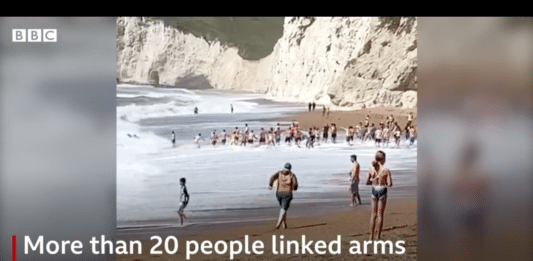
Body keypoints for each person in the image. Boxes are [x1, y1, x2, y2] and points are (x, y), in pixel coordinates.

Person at [366, 150, 393, 240]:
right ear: (382, 159)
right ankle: (378, 236)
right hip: (382, 191)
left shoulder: (370, 169)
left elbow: (367, 182)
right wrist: (383, 181)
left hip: (374, 190)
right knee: (380, 214)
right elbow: (389, 184)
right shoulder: (386, 170)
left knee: (373, 214)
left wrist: (373, 180)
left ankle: (371, 236)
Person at [269, 163, 298, 230]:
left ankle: (284, 224)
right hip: (287, 193)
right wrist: (295, 188)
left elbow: (272, 177)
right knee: (283, 209)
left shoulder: (279, 173)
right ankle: (278, 224)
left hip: (279, 193)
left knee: (283, 208)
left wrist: (270, 185)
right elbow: (295, 183)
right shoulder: (292, 175)